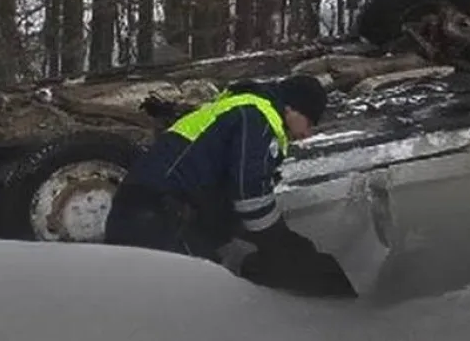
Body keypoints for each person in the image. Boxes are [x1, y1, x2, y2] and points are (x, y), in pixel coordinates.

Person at [105, 74, 355, 296]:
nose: (308, 133)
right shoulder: (258, 118)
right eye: (311, 122)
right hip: (155, 219)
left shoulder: (237, 109)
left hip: (145, 214)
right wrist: (281, 243)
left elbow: (224, 198)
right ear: (293, 108)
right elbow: (250, 197)